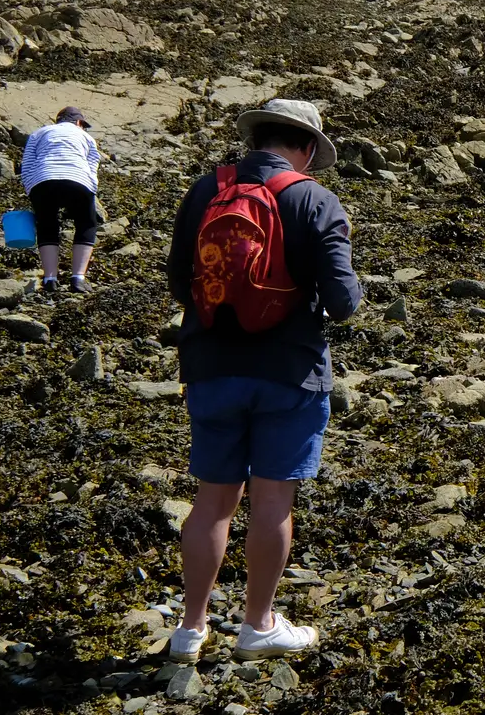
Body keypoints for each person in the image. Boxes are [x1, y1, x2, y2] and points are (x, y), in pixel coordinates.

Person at [164, 98, 361, 663]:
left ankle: (190, 628)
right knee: (273, 500)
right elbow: (344, 303)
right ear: (303, 149)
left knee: (212, 501)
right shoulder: (313, 198)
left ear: (258, 139)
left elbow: (181, 279)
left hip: (210, 366)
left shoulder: (206, 191)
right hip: (290, 371)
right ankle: (258, 624)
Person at [21, 105, 103, 293]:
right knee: (86, 224)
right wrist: (90, 189)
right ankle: (78, 279)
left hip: (42, 180)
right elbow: (92, 166)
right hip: (77, 179)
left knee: (47, 225)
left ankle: (50, 279)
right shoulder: (87, 137)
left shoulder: (39, 133)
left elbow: (27, 164)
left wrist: (31, 189)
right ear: (79, 122)